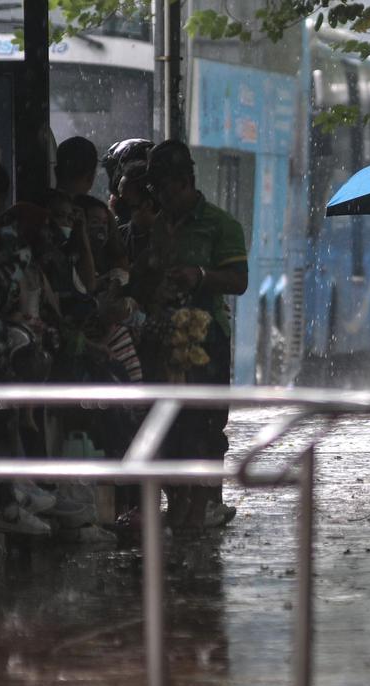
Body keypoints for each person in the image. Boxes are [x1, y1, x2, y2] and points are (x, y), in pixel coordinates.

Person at [132, 139, 246, 530]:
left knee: (204, 424)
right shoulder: (152, 227)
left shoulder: (221, 225)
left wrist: (199, 276)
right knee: (165, 425)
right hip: (161, 336)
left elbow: (238, 281)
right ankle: (177, 502)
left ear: (185, 182)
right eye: (157, 190)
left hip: (205, 338)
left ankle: (200, 506)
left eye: (167, 188)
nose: (162, 197)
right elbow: (140, 279)